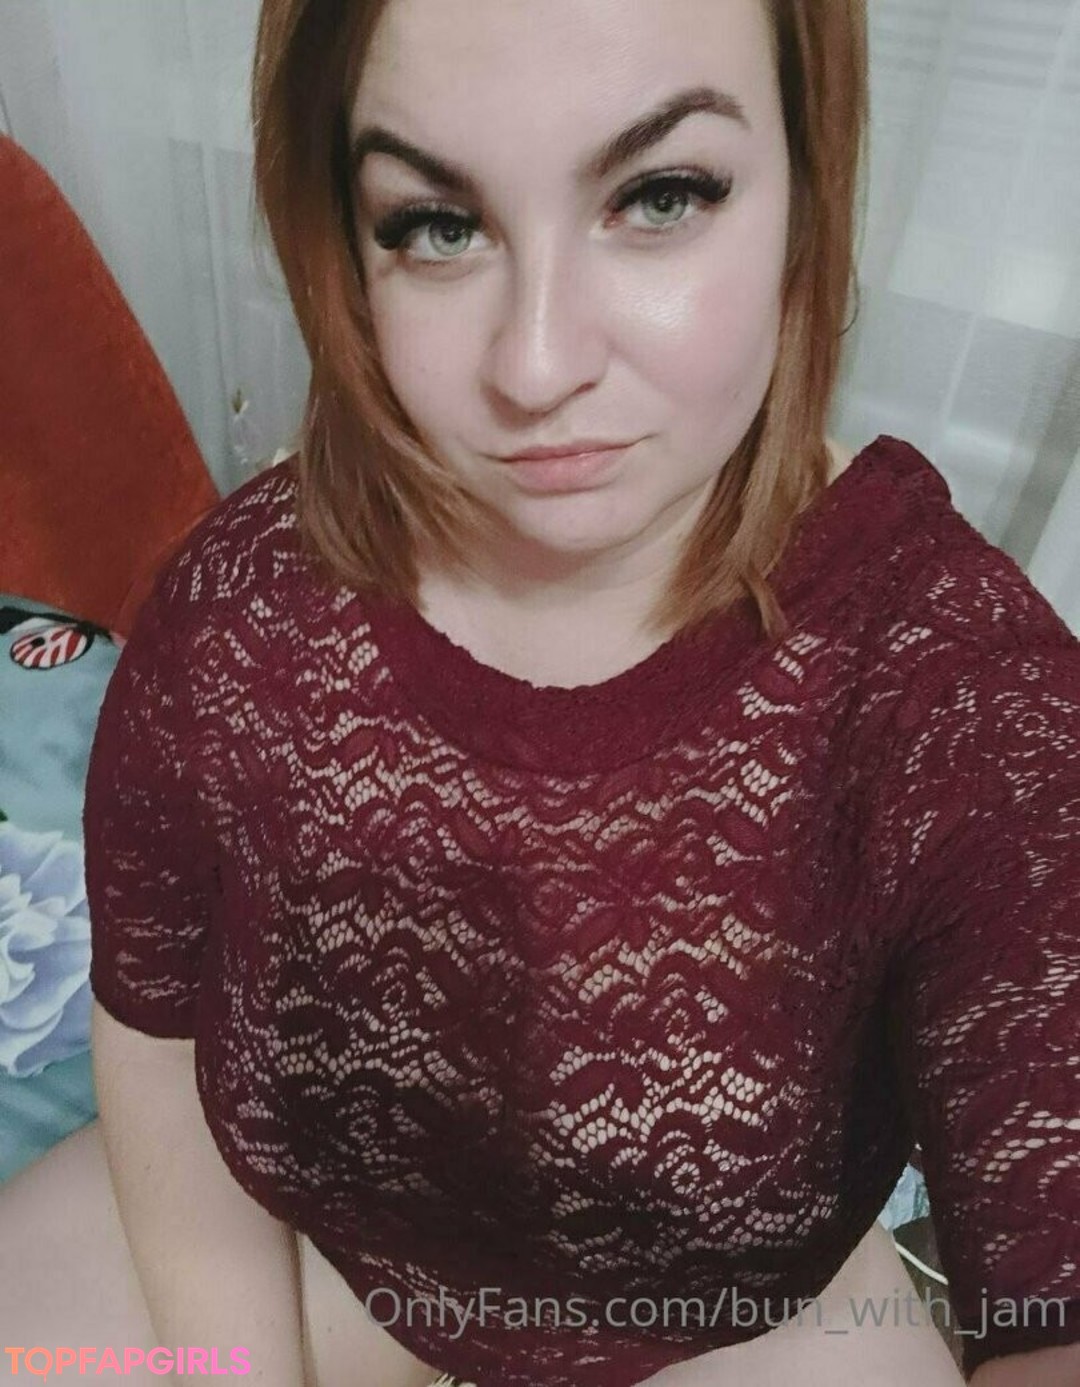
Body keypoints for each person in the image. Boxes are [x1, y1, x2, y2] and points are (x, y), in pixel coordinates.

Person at [2, 1, 1076, 1385]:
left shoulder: (958, 694)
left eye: (661, 196)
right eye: (437, 225)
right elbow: (157, 1039)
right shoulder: (237, 613)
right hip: (312, 1259)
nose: (537, 363)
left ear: (810, 183)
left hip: (729, 1329)